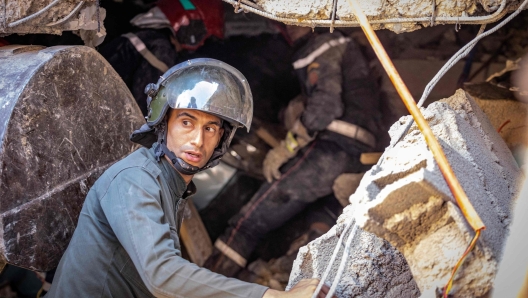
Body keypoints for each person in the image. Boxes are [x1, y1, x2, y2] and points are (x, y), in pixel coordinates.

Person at [46, 58, 332, 298]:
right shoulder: (135, 180)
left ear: (221, 138)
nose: (197, 140)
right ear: (163, 123)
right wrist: (271, 296)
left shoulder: (170, 185)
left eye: (210, 128)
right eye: (186, 122)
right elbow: (161, 274)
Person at [205, 26, 383, 277]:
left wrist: (287, 146)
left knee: (247, 225)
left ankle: (203, 286)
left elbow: (325, 106)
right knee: (321, 222)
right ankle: (279, 281)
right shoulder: (349, 53)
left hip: (331, 151)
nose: (286, 27)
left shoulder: (324, 45)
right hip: (360, 157)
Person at [99, 0, 224, 116]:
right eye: (202, 35)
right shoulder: (160, 48)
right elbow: (148, 109)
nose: (202, 43)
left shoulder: (144, 38)